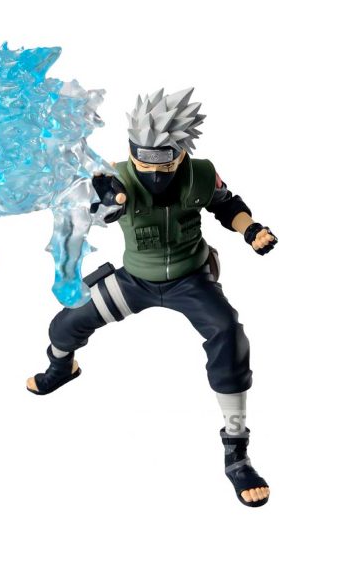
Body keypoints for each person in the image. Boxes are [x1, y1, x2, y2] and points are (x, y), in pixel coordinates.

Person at [26, 88, 277, 507]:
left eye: (162, 159)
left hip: (191, 279)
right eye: (143, 157)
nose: (152, 169)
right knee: (67, 322)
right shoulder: (115, 178)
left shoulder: (201, 174)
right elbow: (83, 211)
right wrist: (98, 200)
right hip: (137, 280)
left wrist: (251, 229)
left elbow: (227, 204)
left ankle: (237, 452)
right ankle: (62, 366)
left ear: (181, 151)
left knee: (229, 335)